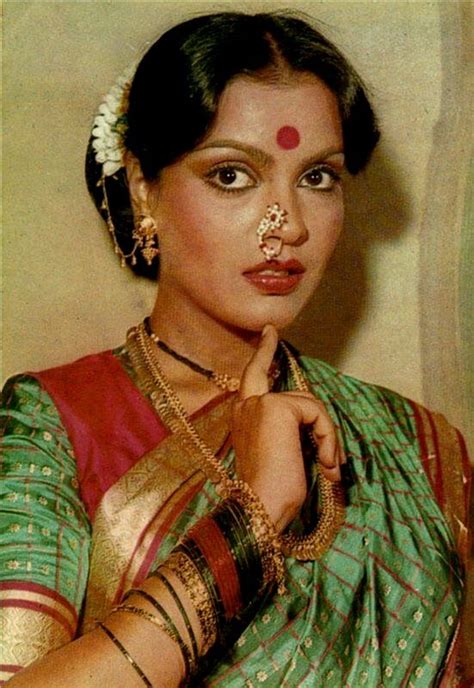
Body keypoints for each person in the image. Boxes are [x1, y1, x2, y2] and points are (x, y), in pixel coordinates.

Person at [1, 11, 471, 687]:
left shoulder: (418, 448)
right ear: (143, 188)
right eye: (231, 175)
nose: (287, 225)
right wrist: (254, 518)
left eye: (317, 177)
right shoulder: (59, 424)